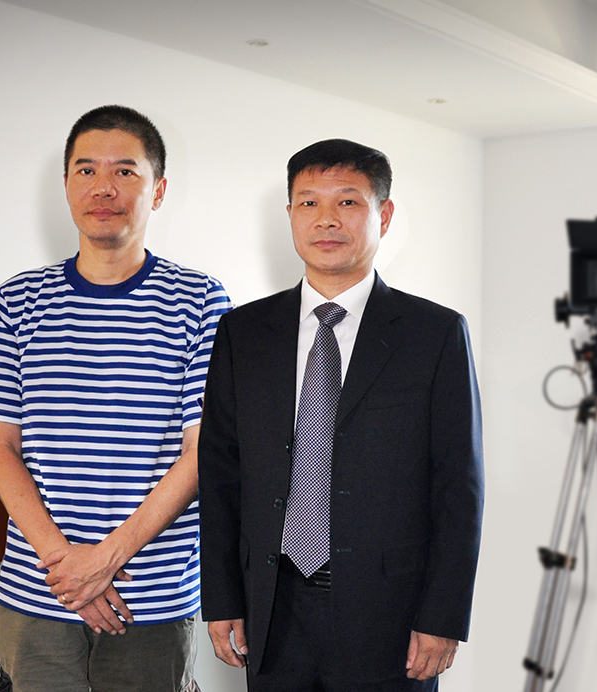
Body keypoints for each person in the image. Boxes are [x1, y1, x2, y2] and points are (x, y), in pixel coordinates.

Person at [0, 105, 230, 692]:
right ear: (67, 184)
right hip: (38, 593)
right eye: (86, 170)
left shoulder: (202, 301)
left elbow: (201, 454)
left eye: (125, 171)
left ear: (158, 190)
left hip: (152, 597)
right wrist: (66, 565)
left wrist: (105, 560)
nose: (104, 187)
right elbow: (1, 451)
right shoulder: (16, 301)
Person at [197, 139, 483, 691]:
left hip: (390, 616)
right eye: (309, 203)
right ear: (290, 215)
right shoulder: (243, 332)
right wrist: (223, 598)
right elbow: (221, 472)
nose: (326, 219)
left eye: (348, 202)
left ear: (384, 215)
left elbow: (459, 487)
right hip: (272, 607)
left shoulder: (435, 334)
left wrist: (443, 616)